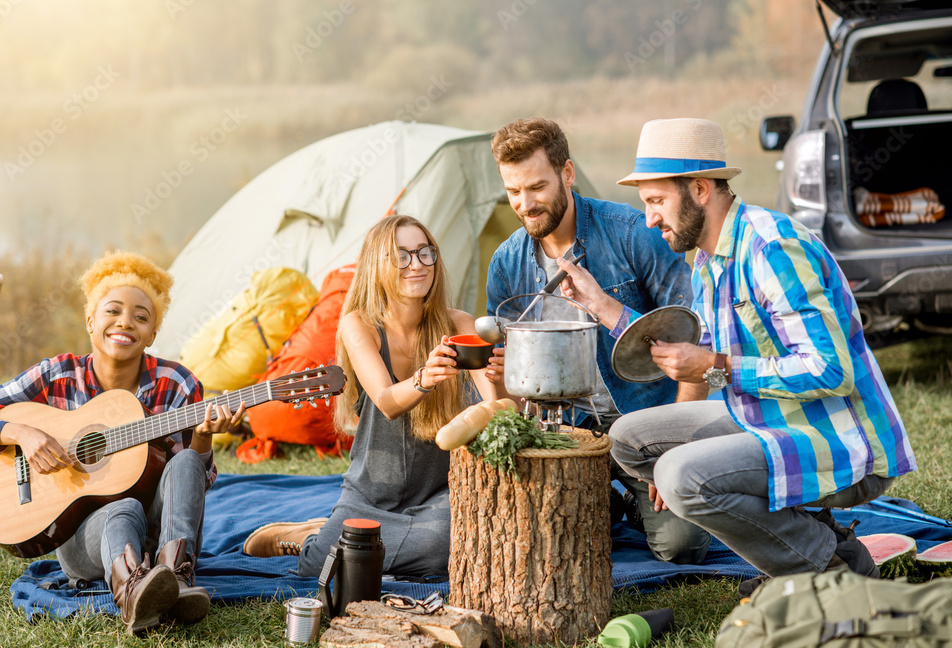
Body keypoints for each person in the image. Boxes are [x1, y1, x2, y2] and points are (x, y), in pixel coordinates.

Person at [593, 117, 915, 597]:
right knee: (629, 439)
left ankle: (831, 571)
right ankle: (815, 533)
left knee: (682, 478)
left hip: (835, 437)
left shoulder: (770, 248)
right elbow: (692, 346)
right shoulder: (708, 258)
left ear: (700, 189)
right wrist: (601, 307)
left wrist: (716, 367)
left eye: (657, 201)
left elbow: (830, 370)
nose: (650, 219)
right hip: (766, 418)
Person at [0, 252, 243, 634]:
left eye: (141, 316)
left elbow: (192, 483)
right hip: (83, 540)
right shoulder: (56, 374)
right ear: (91, 320)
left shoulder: (178, 383)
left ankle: (177, 579)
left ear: (153, 334)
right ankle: (134, 592)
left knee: (187, 459)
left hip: (158, 533)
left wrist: (203, 438)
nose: (125, 322)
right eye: (113, 311)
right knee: (120, 506)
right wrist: (22, 433)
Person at [486, 117, 708, 565]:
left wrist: (675, 450)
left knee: (680, 548)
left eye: (536, 187)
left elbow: (695, 339)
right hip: (567, 428)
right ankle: (610, 502)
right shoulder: (507, 261)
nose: (525, 204)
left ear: (567, 173)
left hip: (649, 424)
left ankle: (624, 497)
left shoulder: (633, 233)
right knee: (542, 540)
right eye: (513, 192)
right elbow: (512, 377)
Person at [243, 215, 503, 578]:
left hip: (437, 493)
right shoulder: (359, 324)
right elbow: (386, 400)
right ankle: (307, 538)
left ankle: (355, 542)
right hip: (370, 493)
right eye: (402, 256)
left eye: (425, 253)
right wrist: (425, 378)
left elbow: (496, 406)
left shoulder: (459, 324)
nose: (417, 265)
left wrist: (499, 376)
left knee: (439, 552)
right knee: (318, 566)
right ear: (376, 266)